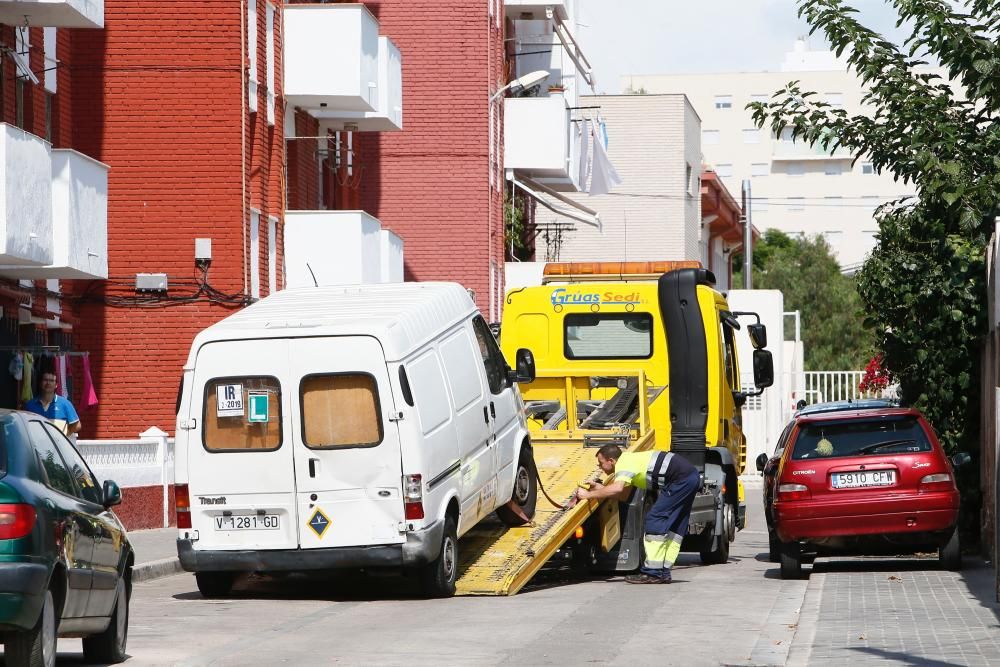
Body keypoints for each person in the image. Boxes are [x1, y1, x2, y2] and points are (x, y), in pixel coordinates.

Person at [575, 444, 701, 584]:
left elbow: (617, 489)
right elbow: (623, 495)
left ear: (611, 461)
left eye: (601, 463)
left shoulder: (624, 464)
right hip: (689, 476)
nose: (599, 467)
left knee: (654, 518)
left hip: (680, 479)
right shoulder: (630, 460)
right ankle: (663, 572)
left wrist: (588, 494)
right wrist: (600, 488)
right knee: (675, 527)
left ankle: (653, 572)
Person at [24, 371, 82, 436]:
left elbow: (77, 425)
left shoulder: (65, 404)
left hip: (57, 445)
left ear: (56, 385)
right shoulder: (30, 405)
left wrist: (64, 435)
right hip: (36, 444)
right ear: (40, 383)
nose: (48, 383)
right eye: (45, 380)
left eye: (51, 380)